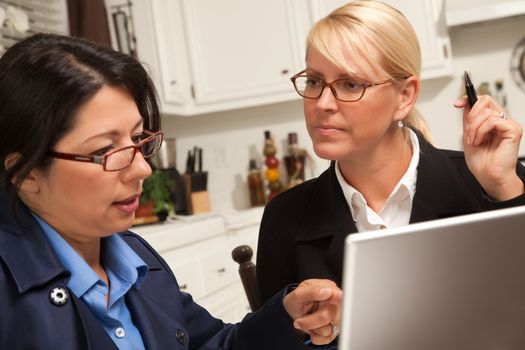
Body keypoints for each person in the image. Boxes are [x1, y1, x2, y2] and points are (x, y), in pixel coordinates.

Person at [0, 33, 342, 349]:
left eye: (137, 139)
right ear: (25, 172)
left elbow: (212, 344)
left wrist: (286, 318)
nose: (142, 169)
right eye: (105, 151)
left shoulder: (136, 260)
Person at [256, 0, 525, 305]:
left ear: (404, 96)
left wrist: (505, 186)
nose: (322, 103)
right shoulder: (284, 218)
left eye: (349, 84)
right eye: (315, 81)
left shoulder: (488, 184)